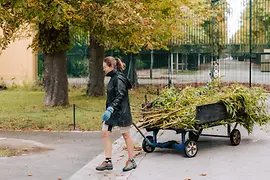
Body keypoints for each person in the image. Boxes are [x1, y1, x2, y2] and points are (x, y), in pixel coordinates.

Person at [96, 56, 137, 172]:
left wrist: (110, 109)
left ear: (111, 67)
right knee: (105, 132)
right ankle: (108, 162)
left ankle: (131, 160)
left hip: (121, 112)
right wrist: (109, 110)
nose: (103, 69)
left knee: (126, 135)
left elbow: (120, 95)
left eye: (105, 67)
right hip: (113, 112)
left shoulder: (118, 78)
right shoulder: (113, 78)